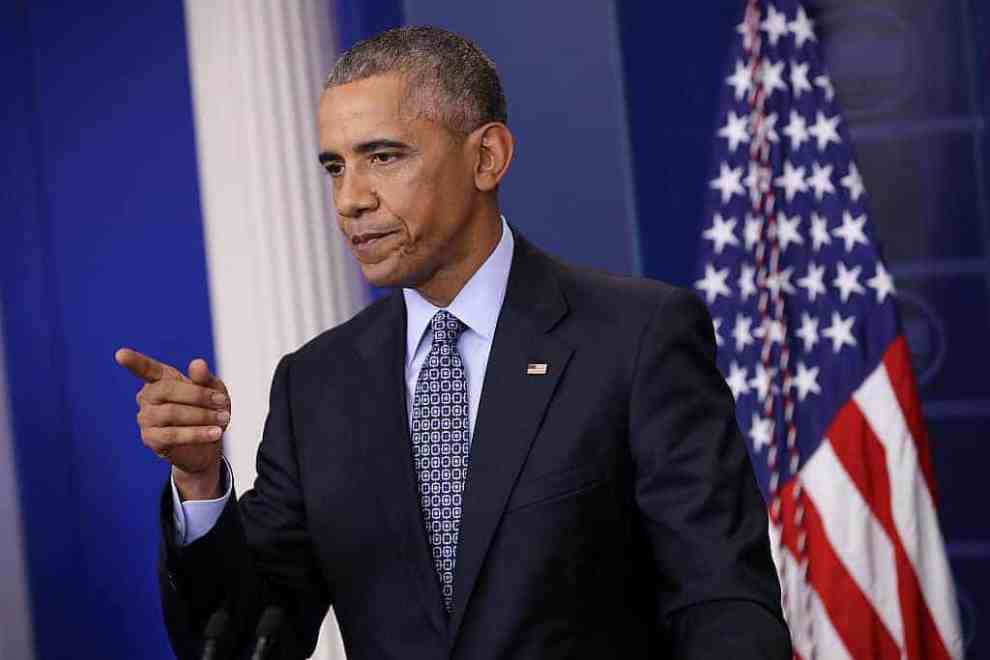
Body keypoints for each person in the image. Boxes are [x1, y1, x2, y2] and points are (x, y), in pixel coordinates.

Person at [117, 26, 791, 660]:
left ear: (487, 157)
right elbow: (242, 640)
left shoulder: (636, 337)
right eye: (334, 167)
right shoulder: (316, 383)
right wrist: (200, 481)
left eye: (383, 156)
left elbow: (722, 605)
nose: (350, 199)